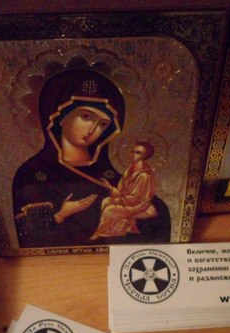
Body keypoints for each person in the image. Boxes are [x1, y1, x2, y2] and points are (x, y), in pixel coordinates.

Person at [12, 69, 170, 248]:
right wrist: (62, 214)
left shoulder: (108, 175)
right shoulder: (32, 173)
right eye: (86, 116)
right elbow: (28, 234)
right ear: (60, 116)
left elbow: (154, 216)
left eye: (103, 124)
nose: (93, 129)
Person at [89, 141, 159, 239]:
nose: (133, 154)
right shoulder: (129, 170)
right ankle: (112, 231)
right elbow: (122, 191)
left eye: (138, 153)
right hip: (128, 201)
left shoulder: (143, 175)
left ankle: (101, 234)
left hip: (138, 205)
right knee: (106, 201)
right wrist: (109, 187)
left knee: (109, 210)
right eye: (132, 151)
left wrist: (119, 200)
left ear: (145, 155)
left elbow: (136, 198)